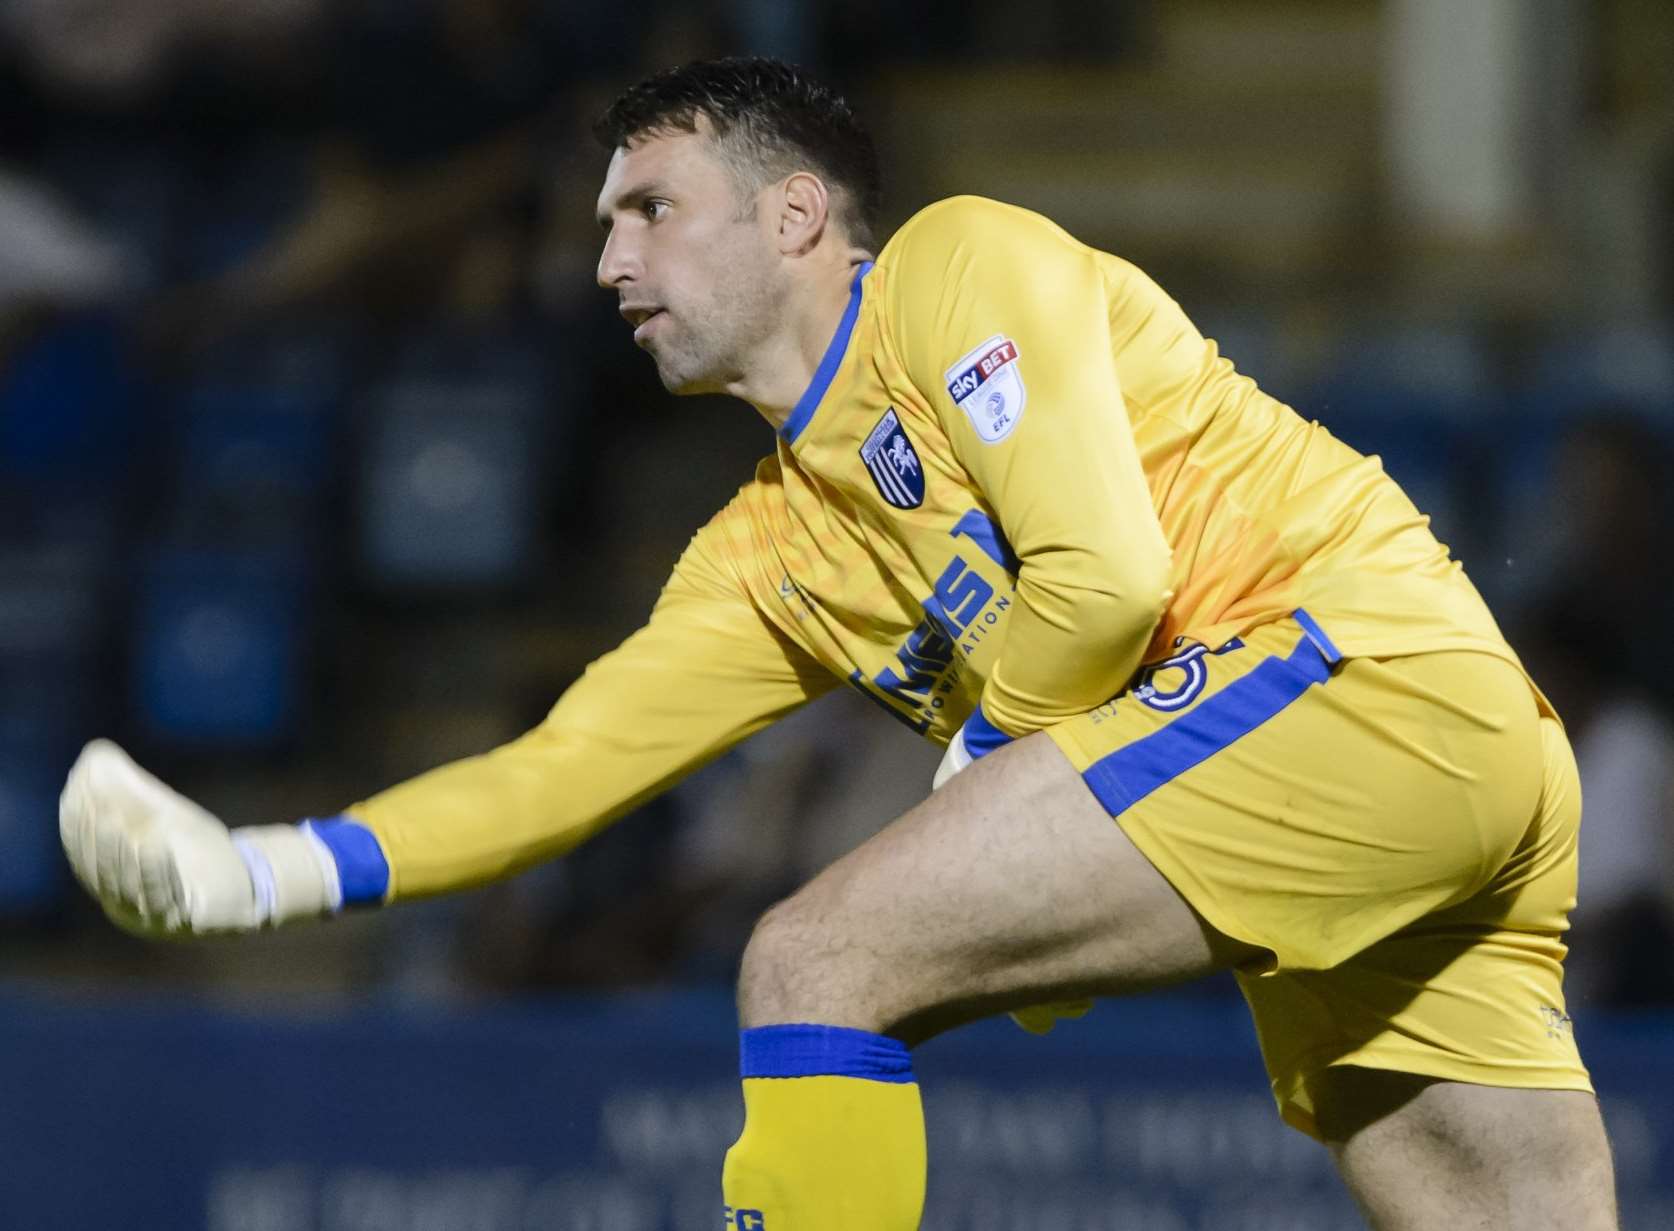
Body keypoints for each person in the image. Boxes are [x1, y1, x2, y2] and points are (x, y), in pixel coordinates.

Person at [60, 57, 1618, 1230]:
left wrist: (987, 779)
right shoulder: (764, 555)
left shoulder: (953, 269)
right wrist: (257, 873)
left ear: (795, 212)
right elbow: (558, 774)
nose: (607, 263)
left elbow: (1105, 582)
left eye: (650, 209)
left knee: (818, 959)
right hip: (1406, 785)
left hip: (1357, 682)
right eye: (602, 227)